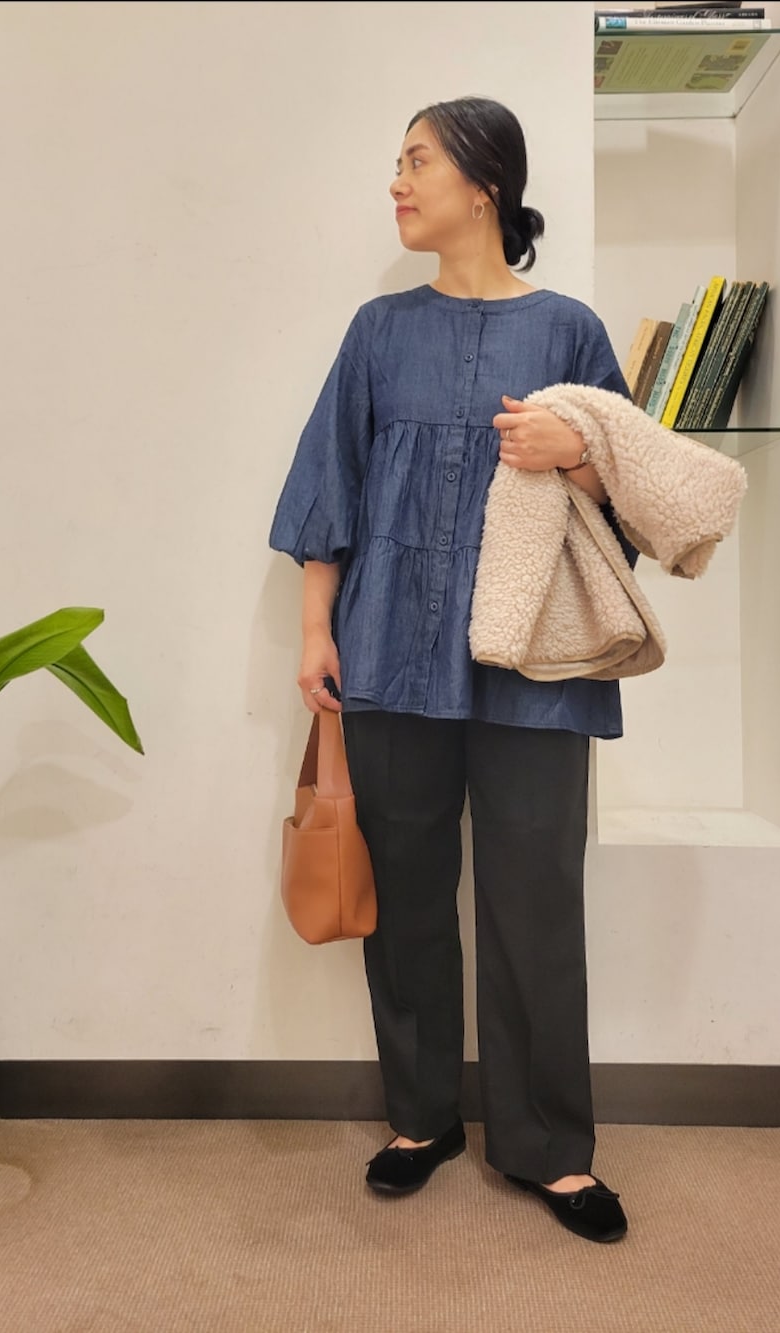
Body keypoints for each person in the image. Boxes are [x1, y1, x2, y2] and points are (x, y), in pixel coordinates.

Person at [269, 96, 633, 1245]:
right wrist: (316, 629)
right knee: (410, 898)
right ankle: (419, 1118)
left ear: (483, 182)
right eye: (398, 161)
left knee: (536, 902)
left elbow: (634, 499)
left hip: (540, 665)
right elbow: (330, 480)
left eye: (416, 160)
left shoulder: (568, 330)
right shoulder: (378, 331)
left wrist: (577, 452)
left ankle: (549, 1146)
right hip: (388, 651)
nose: (397, 180)